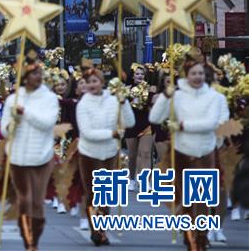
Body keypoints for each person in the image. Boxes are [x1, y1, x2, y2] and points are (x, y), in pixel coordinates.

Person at [149, 51, 229, 251]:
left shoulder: (214, 97)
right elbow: (155, 118)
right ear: (186, 75)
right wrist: (165, 97)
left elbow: (211, 123)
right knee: (186, 198)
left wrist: (183, 125)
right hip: (182, 151)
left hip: (205, 151)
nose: (197, 77)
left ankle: (201, 235)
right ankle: (189, 231)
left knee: (202, 196)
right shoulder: (177, 95)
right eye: (193, 73)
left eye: (200, 74)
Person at [0, 51, 59, 251]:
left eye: (39, 73)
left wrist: (26, 113)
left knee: (37, 202)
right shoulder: (12, 100)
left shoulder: (49, 98)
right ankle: (29, 243)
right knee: (24, 199)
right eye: (33, 73)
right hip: (17, 157)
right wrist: (12, 123)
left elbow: (47, 123)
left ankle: (36, 236)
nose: (38, 76)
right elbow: (4, 129)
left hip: (41, 156)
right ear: (24, 76)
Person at [76, 64, 135, 246]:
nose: (93, 84)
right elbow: (87, 132)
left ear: (102, 82)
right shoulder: (83, 104)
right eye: (89, 82)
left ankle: (102, 229)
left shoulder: (113, 100)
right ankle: (96, 230)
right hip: (89, 153)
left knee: (107, 194)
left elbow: (129, 122)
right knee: (92, 193)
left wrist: (124, 103)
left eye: (96, 81)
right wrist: (111, 134)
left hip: (110, 152)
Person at [124, 64, 153, 192]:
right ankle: (131, 179)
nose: (140, 76)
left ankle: (145, 181)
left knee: (146, 153)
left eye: (142, 74)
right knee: (132, 154)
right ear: (133, 75)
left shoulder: (150, 89)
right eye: (137, 73)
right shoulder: (126, 89)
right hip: (131, 124)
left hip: (146, 124)